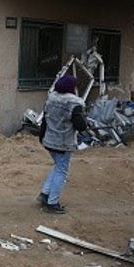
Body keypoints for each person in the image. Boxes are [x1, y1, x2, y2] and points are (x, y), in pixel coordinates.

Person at [37, 75, 87, 214]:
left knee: (58, 167)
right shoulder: (74, 104)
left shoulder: (51, 100)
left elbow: (45, 121)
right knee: (62, 171)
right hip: (63, 143)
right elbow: (81, 126)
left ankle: (45, 194)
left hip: (49, 140)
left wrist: (42, 137)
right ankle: (52, 203)